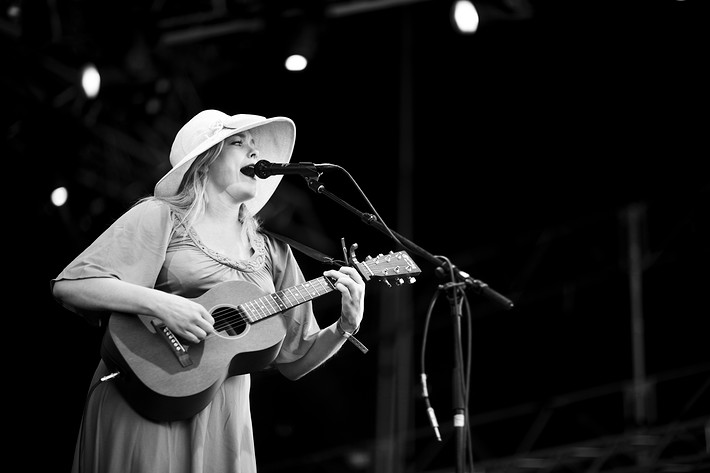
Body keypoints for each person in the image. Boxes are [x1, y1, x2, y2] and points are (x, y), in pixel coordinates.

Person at [51, 109, 366, 473]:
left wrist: (345, 326)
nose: (254, 152)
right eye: (239, 143)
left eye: (255, 146)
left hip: (225, 418)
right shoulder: (162, 216)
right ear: (203, 163)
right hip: (145, 393)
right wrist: (164, 305)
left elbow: (295, 360)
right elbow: (73, 285)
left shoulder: (275, 252)